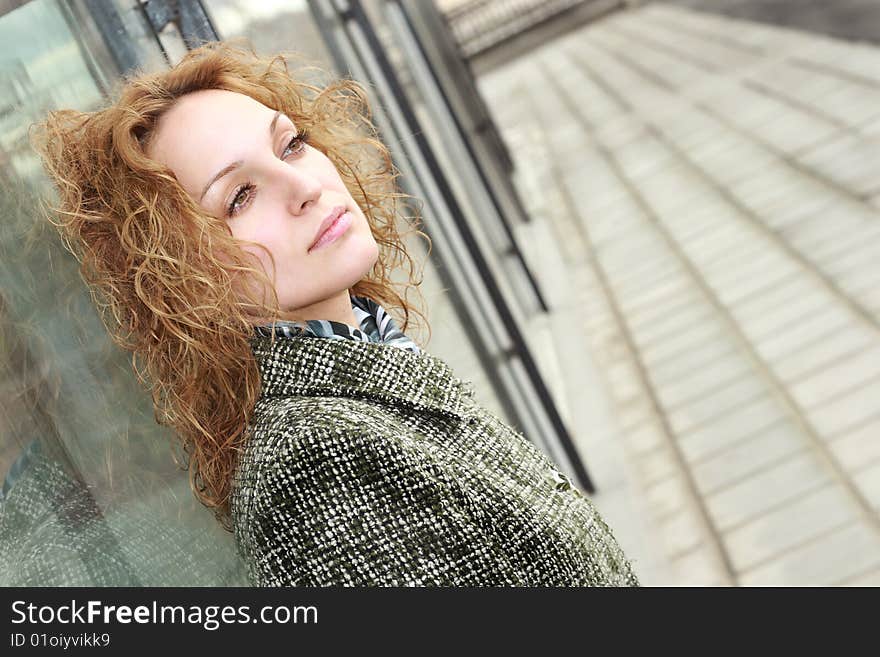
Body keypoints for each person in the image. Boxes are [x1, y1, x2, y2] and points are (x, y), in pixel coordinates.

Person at [33, 42, 639, 587]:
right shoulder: (311, 469)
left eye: (290, 145)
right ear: (180, 274)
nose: (302, 186)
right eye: (240, 197)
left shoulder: (369, 352)